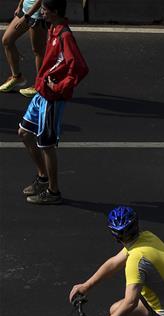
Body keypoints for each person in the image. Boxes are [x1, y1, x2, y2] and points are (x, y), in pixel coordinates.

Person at [17, 0, 88, 205]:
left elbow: (80, 68)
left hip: (52, 98)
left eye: (44, 9)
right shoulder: (53, 29)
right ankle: (43, 178)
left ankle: (53, 191)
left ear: (54, 12)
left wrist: (59, 87)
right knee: (24, 133)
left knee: (46, 145)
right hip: (42, 92)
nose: (42, 12)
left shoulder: (65, 35)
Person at [0, 0, 47, 95]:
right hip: (25, 11)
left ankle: (40, 85)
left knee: (38, 51)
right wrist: (20, 5)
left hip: (37, 16)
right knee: (7, 41)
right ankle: (17, 77)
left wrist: (26, 16)